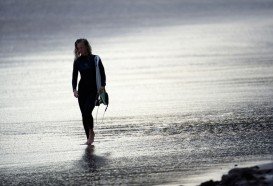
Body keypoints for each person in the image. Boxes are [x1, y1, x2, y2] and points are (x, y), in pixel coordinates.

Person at [72, 38, 106, 145]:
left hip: (93, 90)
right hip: (82, 90)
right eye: (78, 48)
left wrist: (102, 86)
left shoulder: (96, 59)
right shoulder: (77, 61)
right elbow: (74, 77)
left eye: (81, 47)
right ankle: (89, 139)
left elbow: (102, 73)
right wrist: (74, 89)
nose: (80, 50)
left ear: (87, 46)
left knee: (87, 112)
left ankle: (91, 133)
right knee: (84, 115)